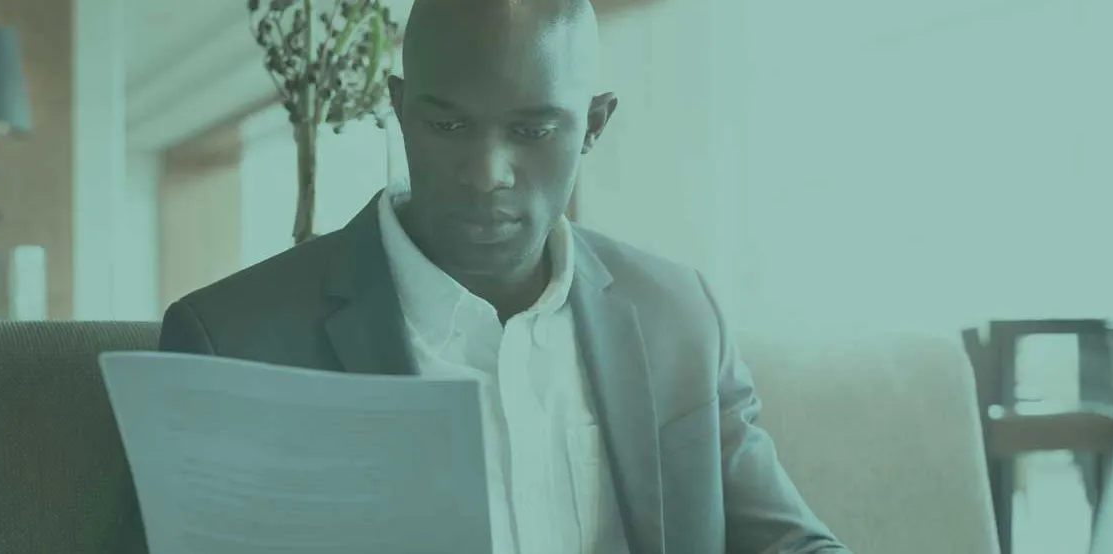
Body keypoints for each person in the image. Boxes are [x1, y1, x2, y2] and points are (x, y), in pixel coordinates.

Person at [159, 0, 850, 552]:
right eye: (449, 125)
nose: (487, 174)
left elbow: (789, 542)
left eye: (533, 131)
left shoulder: (679, 317)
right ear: (400, 110)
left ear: (594, 124)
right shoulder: (233, 341)